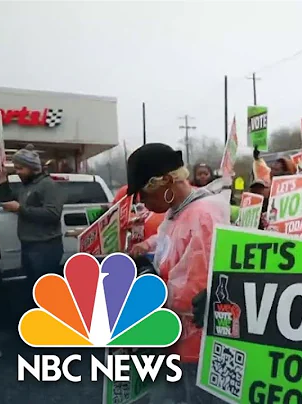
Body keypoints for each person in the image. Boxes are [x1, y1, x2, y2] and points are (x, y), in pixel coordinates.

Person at [126, 143, 228, 404]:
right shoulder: (178, 213)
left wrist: (151, 296)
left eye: (144, 194)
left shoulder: (202, 214)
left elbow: (199, 287)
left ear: (167, 182)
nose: (142, 202)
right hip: (176, 339)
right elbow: (170, 262)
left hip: (196, 345)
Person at [0, 144, 65, 308]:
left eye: (20, 168)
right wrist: (3, 181)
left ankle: (54, 323)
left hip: (46, 248)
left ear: (31, 167)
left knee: (45, 289)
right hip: (29, 246)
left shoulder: (48, 185)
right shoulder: (27, 186)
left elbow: (53, 214)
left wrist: (20, 208)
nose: (17, 172)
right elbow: (6, 202)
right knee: (33, 288)